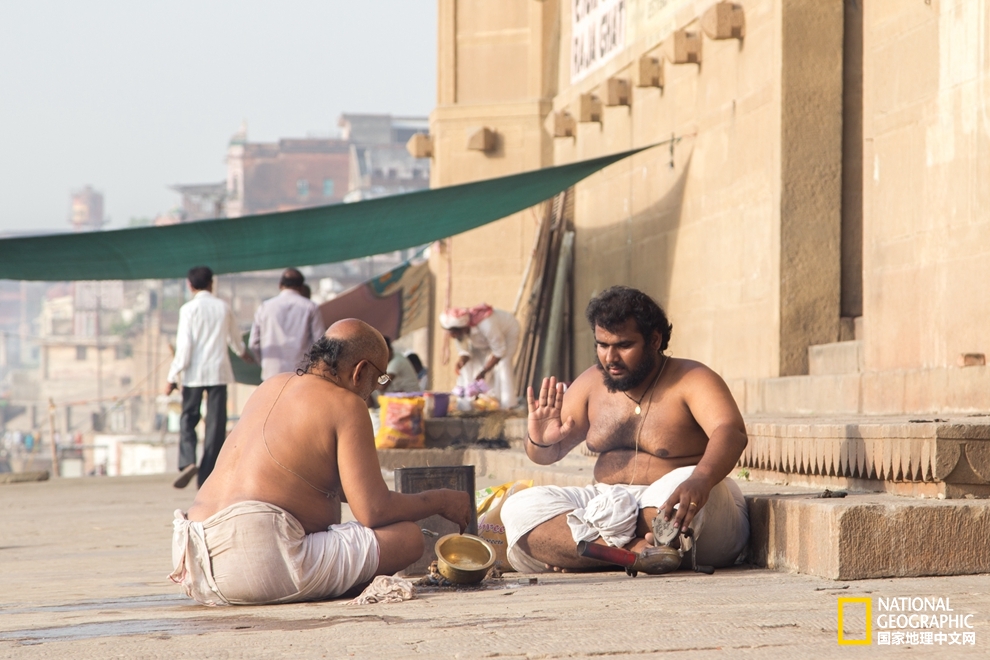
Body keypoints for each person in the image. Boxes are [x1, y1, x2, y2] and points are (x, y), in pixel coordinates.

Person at [169, 319, 473, 605]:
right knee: (407, 538)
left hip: (193, 558)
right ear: (360, 371)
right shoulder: (347, 404)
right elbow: (373, 511)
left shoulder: (271, 385)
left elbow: (316, 483)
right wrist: (441, 500)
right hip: (256, 560)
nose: (374, 390)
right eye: (378, 378)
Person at [500, 286, 749, 574]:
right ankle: (631, 551)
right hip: (608, 499)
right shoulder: (592, 383)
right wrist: (541, 441)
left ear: (654, 340)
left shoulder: (692, 378)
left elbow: (731, 431)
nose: (610, 357)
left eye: (623, 345)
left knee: (679, 490)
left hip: (680, 502)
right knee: (519, 507)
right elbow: (544, 456)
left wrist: (701, 479)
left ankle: (587, 550)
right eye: (602, 345)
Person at [166, 266, 253, 490]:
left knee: (188, 418)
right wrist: (244, 354)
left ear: (190, 285)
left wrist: (172, 376)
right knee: (215, 426)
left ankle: (187, 461)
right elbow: (235, 341)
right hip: (218, 372)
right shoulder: (223, 308)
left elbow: (184, 347)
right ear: (211, 284)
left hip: (193, 374)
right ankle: (206, 476)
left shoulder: (188, 309)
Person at [249, 268, 326, 381]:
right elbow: (320, 343)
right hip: (301, 374)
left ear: (280, 285)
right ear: (300, 287)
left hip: (271, 374)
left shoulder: (264, 307)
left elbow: (254, 343)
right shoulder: (311, 307)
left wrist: (265, 362)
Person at [439, 304, 520, 409]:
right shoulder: (460, 333)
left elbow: (499, 351)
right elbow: (465, 351)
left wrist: (484, 372)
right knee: (469, 366)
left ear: (463, 328)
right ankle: (472, 403)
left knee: (503, 364)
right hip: (486, 341)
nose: (452, 336)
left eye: (454, 332)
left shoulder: (486, 325)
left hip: (506, 334)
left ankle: (508, 405)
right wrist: (462, 360)